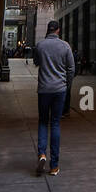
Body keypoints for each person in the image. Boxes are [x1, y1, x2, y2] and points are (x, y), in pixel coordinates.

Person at [33, 20, 75, 176]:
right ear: (58, 30)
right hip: (59, 90)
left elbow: (36, 62)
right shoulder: (65, 46)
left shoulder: (40, 45)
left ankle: (42, 154)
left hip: (44, 89)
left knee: (43, 121)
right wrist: (67, 85)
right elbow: (71, 68)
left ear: (48, 30)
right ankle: (54, 166)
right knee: (55, 123)